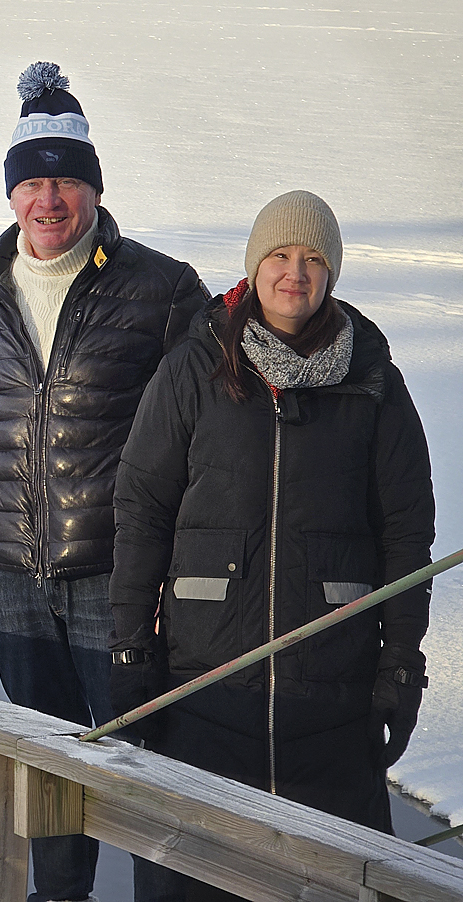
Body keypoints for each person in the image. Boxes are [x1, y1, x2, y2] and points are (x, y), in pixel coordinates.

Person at [110, 191, 434, 902]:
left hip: (332, 704)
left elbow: (407, 534)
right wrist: (131, 647)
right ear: (254, 265)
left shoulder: (374, 381)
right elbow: (143, 512)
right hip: (205, 692)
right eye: (280, 255)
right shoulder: (195, 368)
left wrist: (401, 665)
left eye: (314, 258)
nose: (296, 272)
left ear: (332, 272)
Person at [0, 62, 205, 902]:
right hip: (12, 577)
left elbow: (203, 444)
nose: (48, 201)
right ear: (11, 193)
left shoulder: (161, 289)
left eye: (65, 182)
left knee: (143, 762)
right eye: (32, 184)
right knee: (42, 769)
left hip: (118, 576)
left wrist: (166, 572)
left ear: (93, 189)